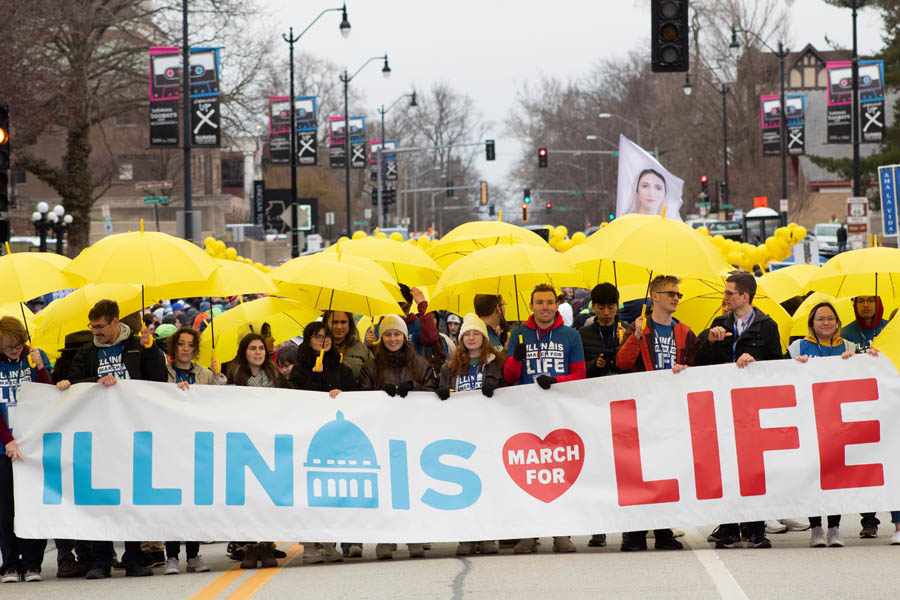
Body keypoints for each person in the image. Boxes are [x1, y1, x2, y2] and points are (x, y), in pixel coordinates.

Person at [55, 299, 166, 578]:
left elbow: (158, 380)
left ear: (116, 322)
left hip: (132, 431)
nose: (96, 332)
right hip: (99, 434)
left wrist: (151, 349)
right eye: (92, 327)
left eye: (101, 326)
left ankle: (134, 557)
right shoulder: (87, 351)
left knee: (132, 495)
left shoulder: (138, 346)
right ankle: (102, 560)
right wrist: (96, 381)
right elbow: (74, 382)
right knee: (102, 496)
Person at [694, 273, 783, 550]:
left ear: (745, 296)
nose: (726, 297)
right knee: (726, 466)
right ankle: (729, 527)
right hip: (722, 407)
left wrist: (756, 361)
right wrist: (710, 341)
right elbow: (699, 362)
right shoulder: (719, 323)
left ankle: (756, 527)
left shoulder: (767, 326)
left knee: (754, 468)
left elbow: (779, 365)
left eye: (730, 293)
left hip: (753, 408)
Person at [786, 301, 879, 548]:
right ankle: (816, 527)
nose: (826, 323)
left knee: (835, 475)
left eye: (830, 319)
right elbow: (781, 375)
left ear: (837, 323)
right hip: (808, 420)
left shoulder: (848, 346)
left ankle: (834, 528)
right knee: (813, 474)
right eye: (820, 319)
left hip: (838, 423)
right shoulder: (797, 348)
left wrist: (864, 358)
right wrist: (794, 366)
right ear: (812, 323)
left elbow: (866, 373)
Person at [503, 284, 585, 554]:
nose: (545, 307)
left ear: (556, 305)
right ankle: (530, 533)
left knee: (560, 472)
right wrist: (515, 359)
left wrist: (557, 381)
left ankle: (562, 533)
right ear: (531, 306)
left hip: (560, 413)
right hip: (527, 414)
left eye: (550, 302)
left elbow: (580, 375)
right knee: (531, 474)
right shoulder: (519, 333)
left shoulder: (570, 335)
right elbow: (510, 377)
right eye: (540, 302)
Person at [613, 276, 692, 552]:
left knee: (666, 470)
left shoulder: (684, 331)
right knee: (638, 472)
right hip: (642, 408)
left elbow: (695, 365)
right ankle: (634, 533)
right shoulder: (639, 329)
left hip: (670, 409)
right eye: (670, 293)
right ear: (654, 296)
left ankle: (663, 530)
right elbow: (622, 363)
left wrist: (686, 369)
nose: (675, 298)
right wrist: (635, 337)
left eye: (678, 295)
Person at [358, 315, 435, 560]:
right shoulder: (371, 366)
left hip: (412, 432)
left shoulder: (419, 364)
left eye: (397, 334)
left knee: (412, 484)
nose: (393, 339)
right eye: (388, 334)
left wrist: (415, 388)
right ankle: (386, 537)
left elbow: (432, 390)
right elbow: (361, 396)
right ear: (382, 337)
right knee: (385, 484)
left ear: (404, 336)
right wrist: (380, 394)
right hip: (382, 433)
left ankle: (413, 536)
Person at [434, 314, 504, 556]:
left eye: (476, 333)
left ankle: (487, 535)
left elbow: (506, 386)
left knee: (488, 486)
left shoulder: (495, 362)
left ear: (484, 338)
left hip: (487, 432)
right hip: (461, 433)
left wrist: (495, 383)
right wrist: (442, 390)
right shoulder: (450, 366)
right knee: (463, 487)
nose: (471, 337)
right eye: (467, 334)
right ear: (461, 339)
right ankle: (466, 535)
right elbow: (443, 388)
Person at [288, 322, 356, 564]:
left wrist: (341, 396)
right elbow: (296, 399)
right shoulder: (300, 369)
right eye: (318, 337)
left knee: (332, 490)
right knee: (309, 491)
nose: (324, 340)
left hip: (335, 438)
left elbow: (355, 396)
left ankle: (329, 543)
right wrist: (315, 379)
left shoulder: (341, 368)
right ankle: (308, 545)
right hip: (309, 439)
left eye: (327, 336)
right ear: (309, 340)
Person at [226, 333, 289, 569]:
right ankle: (249, 545)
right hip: (243, 444)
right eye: (253, 348)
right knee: (248, 496)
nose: (258, 352)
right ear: (244, 352)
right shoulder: (234, 375)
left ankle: (266, 544)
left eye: (261, 348)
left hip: (269, 443)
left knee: (265, 495)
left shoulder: (276, 376)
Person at [162, 327, 221, 574]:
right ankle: (172, 556)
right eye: (181, 344)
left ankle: (194, 555)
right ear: (174, 348)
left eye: (190, 345)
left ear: (195, 349)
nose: (185, 349)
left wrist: (218, 376)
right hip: (171, 443)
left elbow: (219, 397)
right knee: (174, 500)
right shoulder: (162, 372)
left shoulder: (204, 374)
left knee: (195, 501)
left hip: (198, 445)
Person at [0, 317, 52, 583]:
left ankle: (32, 564)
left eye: (18, 345)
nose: (14, 350)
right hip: (4, 448)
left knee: (34, 504)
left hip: (33, 445)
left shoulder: (34, 356)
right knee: (6, 509)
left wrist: (41, 368)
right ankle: (9, 564)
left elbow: (48, 395)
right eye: (8, 347)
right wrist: (7, 439)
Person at [839, 295, 889, 538]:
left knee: (891, 463)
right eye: (861, 301)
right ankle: (868, 519)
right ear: (854, 304)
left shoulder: (890, 328)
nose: (866, 305)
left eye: (871, 300)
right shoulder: (846, 333)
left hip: (889, 404)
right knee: (865, 464)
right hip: (859, 406)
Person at [365, 284, 439, 356]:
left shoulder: (416, 325)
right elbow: (369, 361)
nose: (401, 315)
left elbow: (431, 339)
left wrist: (422, 304)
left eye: (406, 309)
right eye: (396, 309)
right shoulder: (374, 331)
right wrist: (371, 347)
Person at [580, 283, 627, 379]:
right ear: (593, 306)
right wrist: (594, 364)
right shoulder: (582, 334)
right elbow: (577, 367)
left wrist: (627, 341)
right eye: (601, 308)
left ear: (617, 305)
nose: (606, 313)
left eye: (610, 307)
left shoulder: (627, 331)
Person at [325, 311, 371, 380]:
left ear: (350, 323)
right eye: (334, 322)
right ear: (326, 323)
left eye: (343, 322)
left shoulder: (362, 348)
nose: (339, 327)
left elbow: (374, 374)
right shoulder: (318, 347)